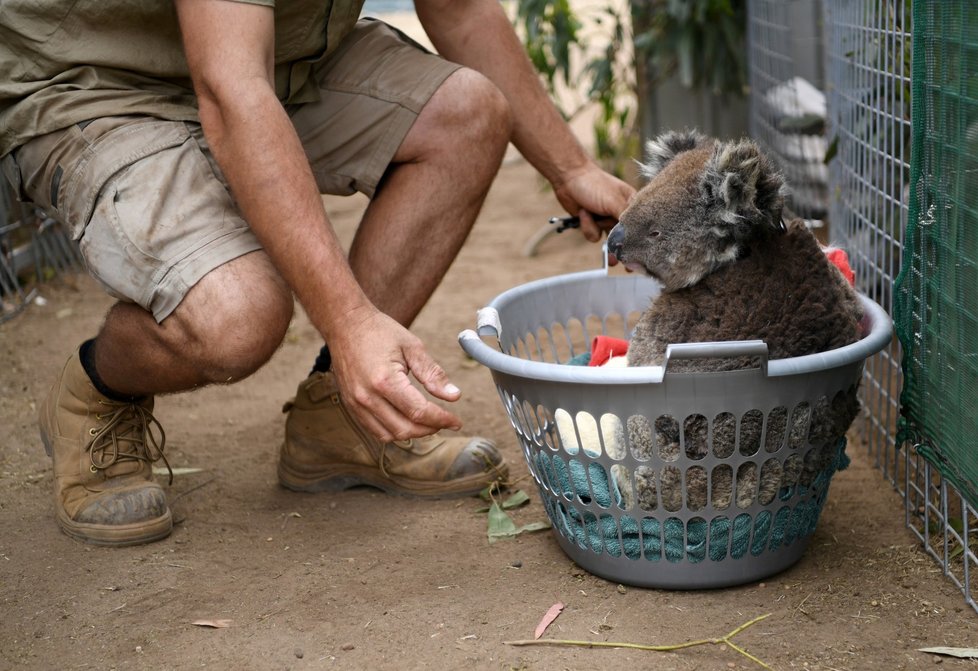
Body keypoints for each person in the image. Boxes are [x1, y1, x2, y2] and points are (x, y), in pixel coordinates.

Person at [0, 0, 635, 546]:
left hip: (280, 59)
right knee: (238, 318)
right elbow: (228, 91)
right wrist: (351, 318)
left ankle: (338, 418)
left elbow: (460, 9)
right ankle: (95, 392)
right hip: (104, 83)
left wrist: (569, 167)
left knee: (466, 113)